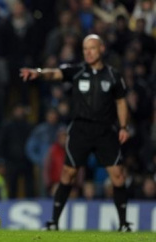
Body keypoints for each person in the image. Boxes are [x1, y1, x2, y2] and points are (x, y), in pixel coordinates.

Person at [20, 34, 131, 232]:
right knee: (67, 175)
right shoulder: (78, 71)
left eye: (92, 48)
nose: (88, 52)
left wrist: (123, 127)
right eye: (85, 49)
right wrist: (38, 72)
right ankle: (53, 222)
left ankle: (123, 224)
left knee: (118, 176)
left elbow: (121, 102)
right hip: (80, 130)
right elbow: (55, 74)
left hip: (106, 131)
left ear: (101, 49)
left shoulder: (114, 76)